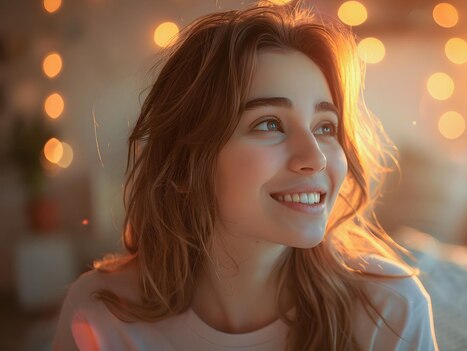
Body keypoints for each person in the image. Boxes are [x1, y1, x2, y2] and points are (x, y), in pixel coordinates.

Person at [53, 2, 438, 350]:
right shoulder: (99, 312)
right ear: (185, 164)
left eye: (325, 127)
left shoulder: (392, 313)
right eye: (269, 123)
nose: (315, 158)